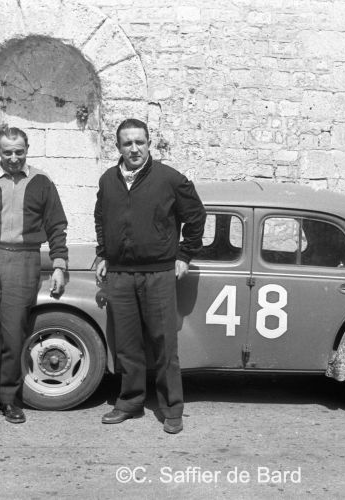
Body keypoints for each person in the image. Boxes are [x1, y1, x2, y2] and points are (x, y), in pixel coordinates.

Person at [94, 118, 205, 434]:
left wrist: (184, 255)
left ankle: (172, 408)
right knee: (127, 344)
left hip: (158, 274)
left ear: (149, 144)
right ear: (118, 147)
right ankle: (130, 402)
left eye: (139, 142)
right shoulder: (108, 180)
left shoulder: (169, 179)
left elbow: (196, 216)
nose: (134, 148)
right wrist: (104, 253)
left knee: (164, 344)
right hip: (120, 274)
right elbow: (100, 217)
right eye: (127, 143)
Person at [0, 126, 68, 427]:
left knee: (14, 332)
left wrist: (59, 264)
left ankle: (9, 400)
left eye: (19, 151)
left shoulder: (42, 182)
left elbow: (57, 226)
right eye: (8, 152)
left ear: (27, 149)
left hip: (24, 260)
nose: (14, 157)